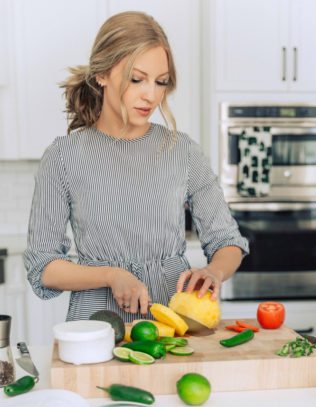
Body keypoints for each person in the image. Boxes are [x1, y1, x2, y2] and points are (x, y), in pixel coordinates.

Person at [24, 11, 249, 322]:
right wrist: (111, 275)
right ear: (101, 74)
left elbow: (227, 241)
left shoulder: (182, 151)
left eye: (161, 82)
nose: (151, 95)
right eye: (136, 79)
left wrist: (214, 271)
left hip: (175, 324)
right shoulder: (63, 156)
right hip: (98, 326)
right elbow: (43, 265)